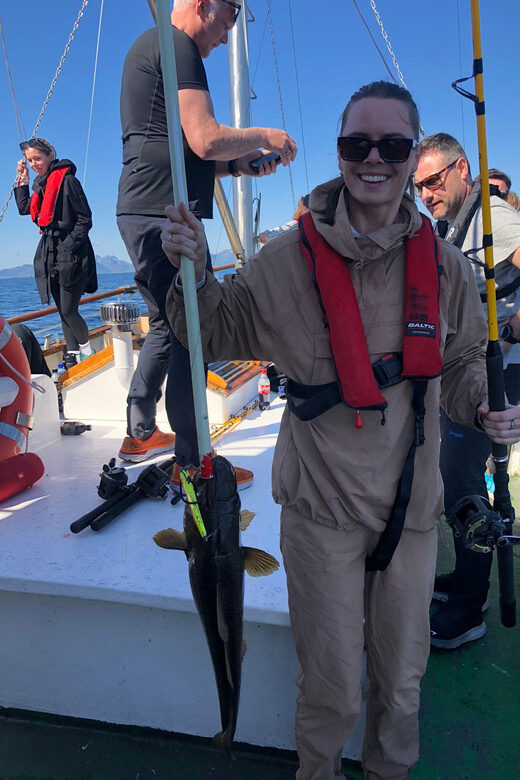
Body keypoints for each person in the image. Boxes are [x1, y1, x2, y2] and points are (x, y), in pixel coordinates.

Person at [162, 80, 520, 779]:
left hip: (412, 515)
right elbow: (209, 329)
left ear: (412, 151)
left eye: (392, 145)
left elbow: (461, 361)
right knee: (329, 692)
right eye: (358, 144)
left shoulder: (446, 268)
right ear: (340, 152)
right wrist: (192, 271)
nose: (374, 159)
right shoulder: (282, 262)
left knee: (403, 686)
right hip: (321, 514)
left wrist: (483, 407)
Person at [116, 0, 297, 476]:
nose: (226, 36)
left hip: (143, 209)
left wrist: (239, 165)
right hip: (165, 218)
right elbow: (205, 138)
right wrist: (269, 136)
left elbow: (179, 145)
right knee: (188, 334)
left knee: (163, 326)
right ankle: (195, 464)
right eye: (230, 19)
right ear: (204, 5)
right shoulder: (177, 45)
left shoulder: (153, 43)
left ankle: (140, 431)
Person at [415, 133, 520, 648]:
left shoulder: (490, 216)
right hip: (468, 368)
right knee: (454, 477)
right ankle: (464, 577)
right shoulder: (454, 225)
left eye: (433, 181)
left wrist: (518, 323)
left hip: (496, 371)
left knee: (463, 486)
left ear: (461, 169)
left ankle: (469, 607)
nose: (426, 193)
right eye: (418, 188)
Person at [14, 138, 97, 368]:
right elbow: (24, 209)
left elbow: (85, 219)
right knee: (62, 310)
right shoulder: (41, 184)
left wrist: (69, 247)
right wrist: (23, 180)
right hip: (49, 252)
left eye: (37, 159)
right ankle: (72, 356)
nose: (34, 164)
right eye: (30, 160)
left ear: (51, 154)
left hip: (71, 252)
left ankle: (87, 353)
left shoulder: (68, 181)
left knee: (70, 309)